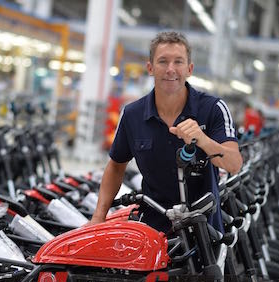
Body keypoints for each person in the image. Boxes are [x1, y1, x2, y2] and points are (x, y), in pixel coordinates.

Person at [89, 31, 243, 233]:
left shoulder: (213, 109)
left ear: (189, 69)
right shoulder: (132, 114)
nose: (171, 69)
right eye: (163, 61)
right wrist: (98, 217)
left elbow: (234, 163)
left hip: (205, 230)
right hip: (152, 230)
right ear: (150, 68)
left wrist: (203, 140)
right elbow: (116, 167)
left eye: (178, 62)